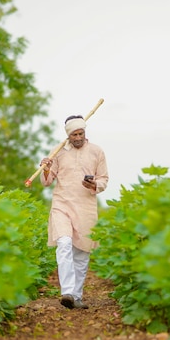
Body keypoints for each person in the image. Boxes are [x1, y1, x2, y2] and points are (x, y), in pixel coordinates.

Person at [39, 114, 109, 309]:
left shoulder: (97, 152)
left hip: (86, 207)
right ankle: (67, 291)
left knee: (81, 253)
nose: (78, 137)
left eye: (81, 133)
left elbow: (104, 179)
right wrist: (46, 168)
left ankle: (76, 297)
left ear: (85, 132)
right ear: (68, 135)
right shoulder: (58, 152)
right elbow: (46, 182)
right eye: (74, 134)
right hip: (61, 204)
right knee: (64, 243)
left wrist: (94, 183)